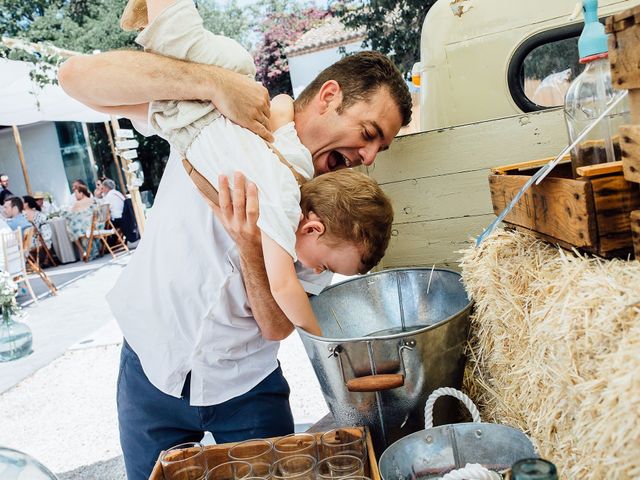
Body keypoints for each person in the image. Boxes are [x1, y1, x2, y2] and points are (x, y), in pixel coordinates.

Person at [58, 2, 412, 478]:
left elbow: (276, 325)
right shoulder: (226, 113)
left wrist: (249, 245)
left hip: (246, 384)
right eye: (368, 134)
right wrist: (211, 84)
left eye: (380, 148)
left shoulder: (337, 215)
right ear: (328, 96)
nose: (368, 156)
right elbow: (76, 77)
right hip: (149, 364)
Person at [129, 0, 393, 335]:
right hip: (203, 110)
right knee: (174, 35)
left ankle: (151, 17)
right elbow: (284, 288)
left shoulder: (290, 169)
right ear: (313, 229)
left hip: (189, 115)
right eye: (324, 264)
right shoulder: (283, 211)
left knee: (161, 49)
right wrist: (324, 338)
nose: (316, 270)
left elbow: (282, 106)